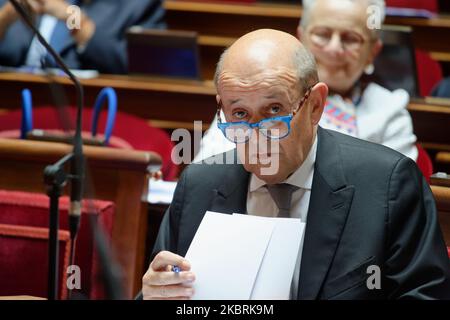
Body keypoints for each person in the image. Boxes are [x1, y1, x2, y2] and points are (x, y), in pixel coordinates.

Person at [140, 29, 450, 300]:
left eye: (274, 110)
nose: (256, 136)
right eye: (239, 114)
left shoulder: (388, 185)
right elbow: (163, 290)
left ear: (315, 106)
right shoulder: (198, 185)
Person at [193, 0, 418, 163]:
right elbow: (211, 167)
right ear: (300, 38)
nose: (334, 49)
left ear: (372, 52)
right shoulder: (259, 93)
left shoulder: (390, 110)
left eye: (351, 39)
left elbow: (392, 196)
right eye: (322, 34)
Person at [0, 0, 165, 74]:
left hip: (84, 108)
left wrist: (75, 20)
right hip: (12, 97)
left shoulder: (140, 4)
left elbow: (144, 67)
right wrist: (6, 16)